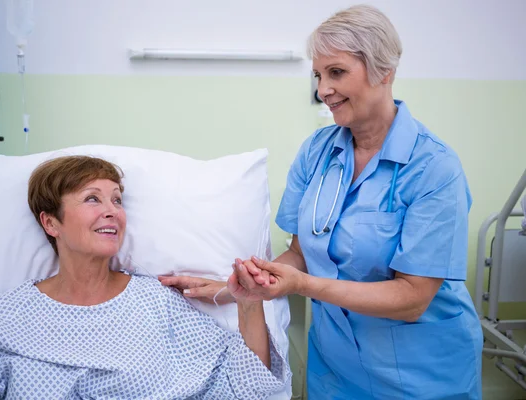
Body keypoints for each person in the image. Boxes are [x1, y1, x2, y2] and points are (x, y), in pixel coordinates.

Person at [161, 5, 483, 399]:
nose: (322, 89)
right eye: (317, 75)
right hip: (334, 370)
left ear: (384, 70)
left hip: (421, 376)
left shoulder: (433, 167)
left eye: (336, 72)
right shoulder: (317, 152)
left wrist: (304, 285)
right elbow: (299, 252)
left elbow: (413, 298)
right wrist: (231, 289)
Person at [0, 156, 290, 399]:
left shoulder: (156, 303)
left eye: (117, 199)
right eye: (92, 199)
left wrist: (248, 304)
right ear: (51, 223)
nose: (112, 210)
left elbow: (246, 386)